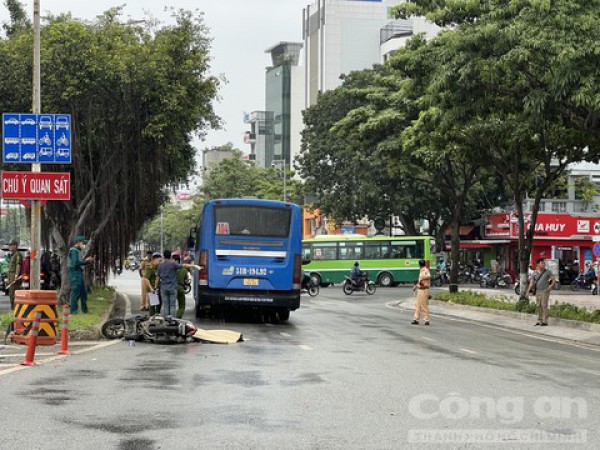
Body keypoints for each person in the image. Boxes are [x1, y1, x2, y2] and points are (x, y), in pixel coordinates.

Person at [155, 250, 200, 317]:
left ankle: (166, 320)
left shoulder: (160, 266)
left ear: (163, 256)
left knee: (166, 305)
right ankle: (172, 320)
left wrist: (155, 287)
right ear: (170, 256)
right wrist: (194, 266)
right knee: (172, 305)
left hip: (163, 288)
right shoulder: (173, 264)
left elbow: (157, 278)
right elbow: (184, 265)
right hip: (173, 287)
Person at [68, 236, 94, 314]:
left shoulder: (77, 251)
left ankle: (85, 310)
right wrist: (86, 262)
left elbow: (78, 262)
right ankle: (73, 311)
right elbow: (75, 263)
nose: (84, 244)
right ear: (78, 243)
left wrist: (86, 261)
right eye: (83, 243)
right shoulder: (73, 251)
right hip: (75, 273)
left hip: (79, 273)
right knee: (75, 292)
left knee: (83, 292)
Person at [526, 258, 556, 326]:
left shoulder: (547, 271)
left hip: (545, 291)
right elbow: (531, 283)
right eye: (542, 263)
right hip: (537, 291)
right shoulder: (534, 273)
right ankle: (540, 320)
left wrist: (550, 286)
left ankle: (545, 321)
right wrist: (527, 292)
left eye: (544, 263)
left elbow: (553, 279)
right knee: (538, 305)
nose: (543, 265)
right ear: (538, 264)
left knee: (544, 305)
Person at [412, 259, 431, 325]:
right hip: (420, 289)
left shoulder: (425, 270)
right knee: (417, 305)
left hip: (424, 289)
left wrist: (423, 277)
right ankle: (416, 319)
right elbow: (420, 281)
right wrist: (416, 286)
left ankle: (426, 320)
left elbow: (429, 276)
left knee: (424, 305)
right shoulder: (421, 271)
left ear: (419, 265)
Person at [7, 239, 23, 310]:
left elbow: (18, 265)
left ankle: (15, 312)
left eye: (11, 245)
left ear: (15, 246)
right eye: (9, 245)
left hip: (14, 278)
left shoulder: (17, 254)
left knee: (14, 296)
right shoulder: (12, 255)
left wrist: (16, 276)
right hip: (11, 277)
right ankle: (13, 312)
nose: (9, 247)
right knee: (11, 295)